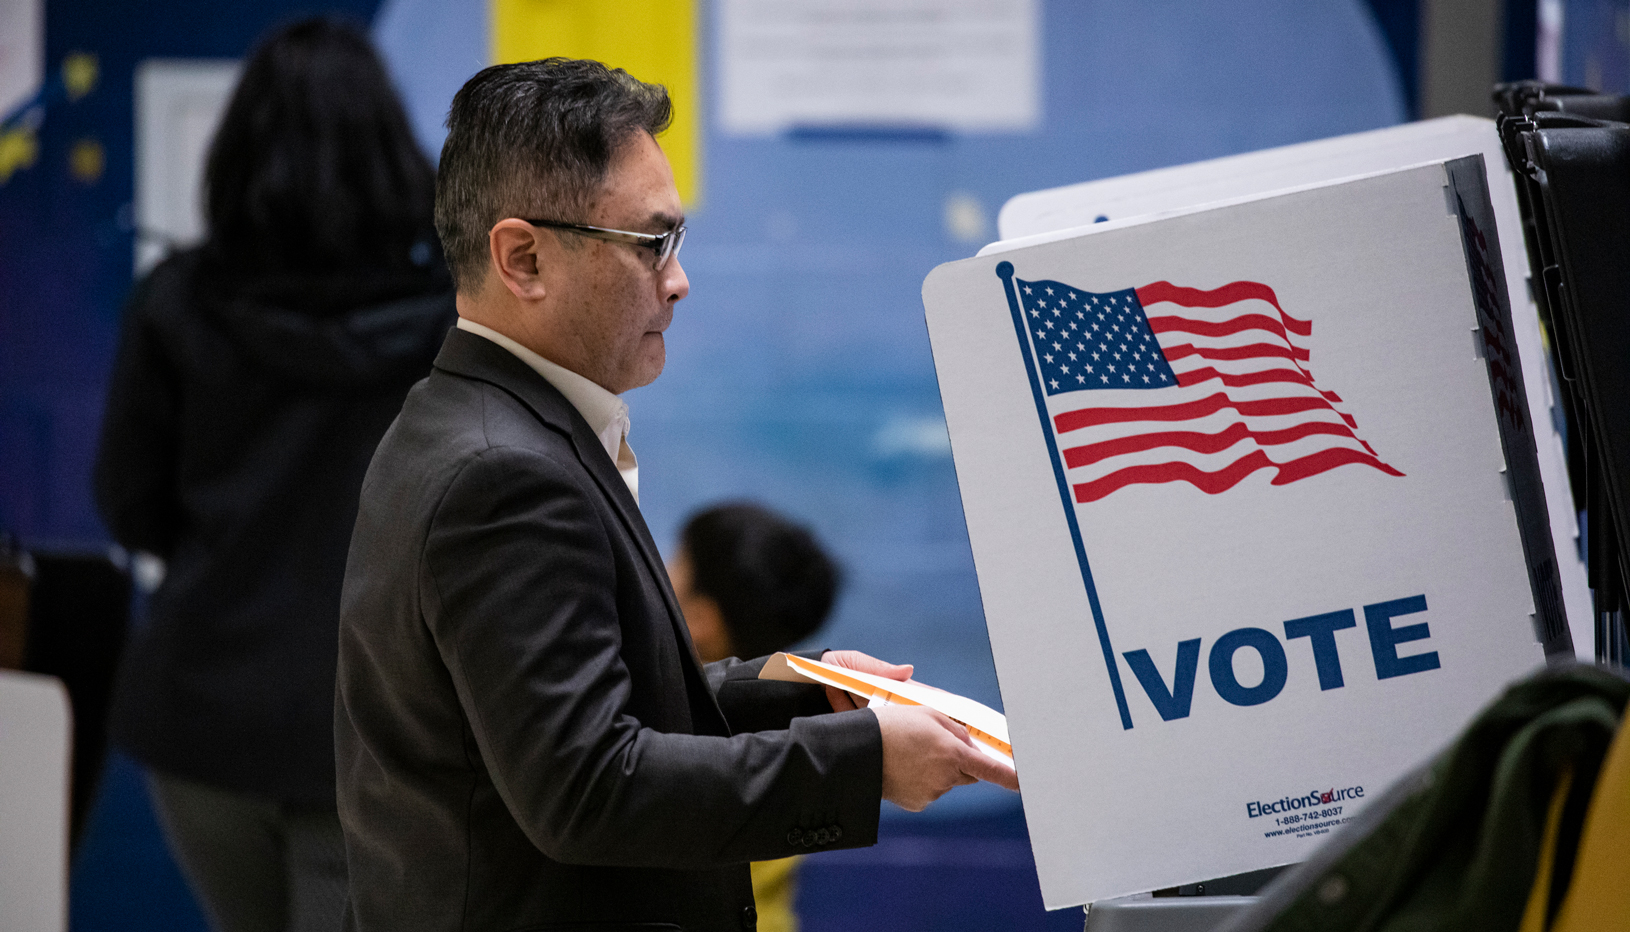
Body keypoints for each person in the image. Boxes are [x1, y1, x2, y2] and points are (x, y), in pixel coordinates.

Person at [335, 57, 1017, 932]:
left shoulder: (477, 419)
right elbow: (587, 786)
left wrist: (801, 691)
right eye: (649, 244)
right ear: (523, 257)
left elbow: (589, 706)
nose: (679, 279)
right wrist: (859, 763)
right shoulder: (502, 475)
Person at [93, 18, 454, 932]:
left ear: (240, 152)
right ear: (390, 152)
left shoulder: (174, 301)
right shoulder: (450, 325)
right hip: (380, 722)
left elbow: (128, 504)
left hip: (203, 711)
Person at [670, 502, 844, 932]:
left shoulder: (672, 740)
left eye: (675, 561)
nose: (656, 571)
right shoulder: (791, 729)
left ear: (701, 619)